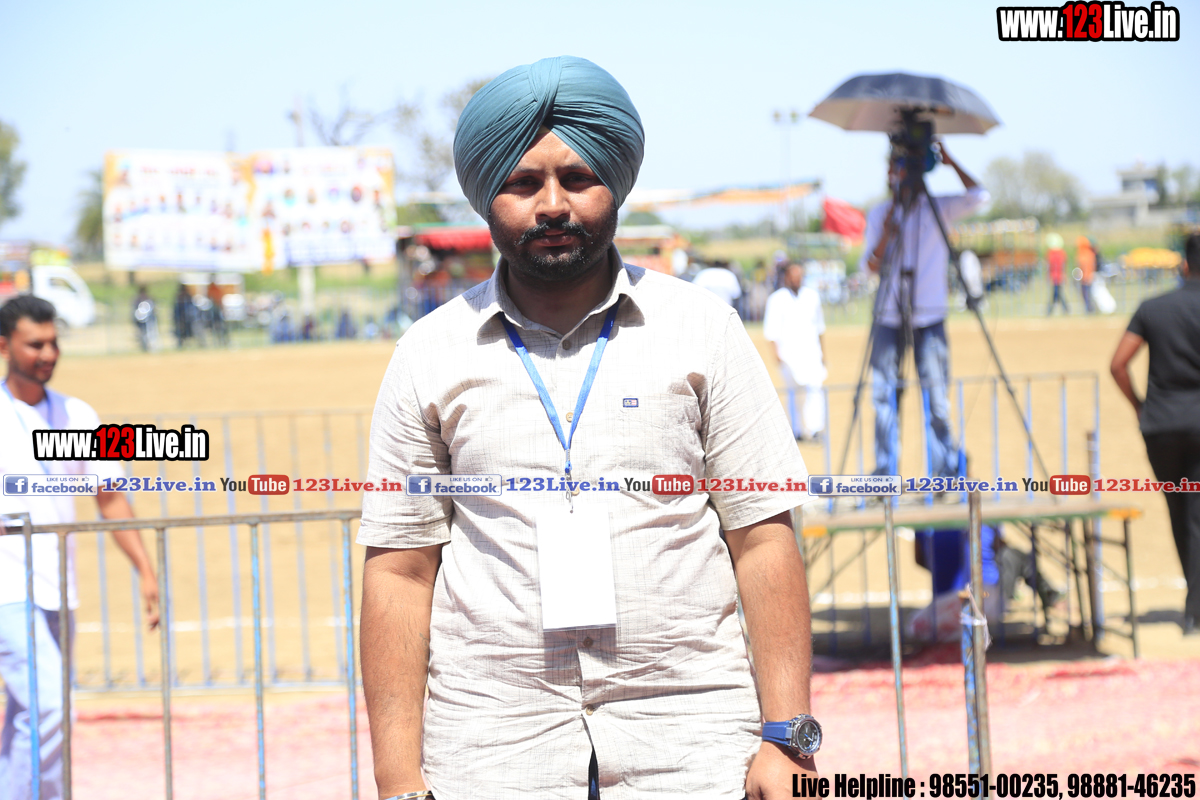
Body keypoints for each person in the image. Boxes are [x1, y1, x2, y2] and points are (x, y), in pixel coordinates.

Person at [358, 56, 819, 800]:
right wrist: (397, 780)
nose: (552, 205)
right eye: (522, 183)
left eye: (577, 179)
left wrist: (788, 740)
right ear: (485, 193)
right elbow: (399, 570)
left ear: (616, 183)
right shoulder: (429, 354)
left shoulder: (704, 331)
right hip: (495, 754)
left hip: (692, 745)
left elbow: (762, 536)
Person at [0, 295, 160, 800]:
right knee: (47, 706)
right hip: (7, 592)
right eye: (34, 344)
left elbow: (110, 497)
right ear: (4, 346)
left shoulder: (78, 414)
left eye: (53, 342)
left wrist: (145, 569)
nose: (48, 353)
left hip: (58, 588)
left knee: (31, 713)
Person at [859, 142, 988, 478]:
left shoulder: (938, 208)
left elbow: (979, 196)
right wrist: (887, 235)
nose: (895, 175)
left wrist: (950, 160)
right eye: (893, 167)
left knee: (937, 399)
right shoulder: (881, 213)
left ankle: (945, 473)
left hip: (929, 318)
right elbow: (868, 268)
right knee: (883, 397)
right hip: (888, 316)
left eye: (902, 167)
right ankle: (885, 474)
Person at [1110, 232, 1200, 636]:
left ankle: (1194, 604)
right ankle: (1195, 609)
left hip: (1161, 428)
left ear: (1184, 265)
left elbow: (1117, 364)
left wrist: (1140, 407)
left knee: (1180, 511)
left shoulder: (1153, 308)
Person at [763, 261, 826, 441]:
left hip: (812, 353)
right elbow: (771, 331)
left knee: (815, 390)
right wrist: (777, 355)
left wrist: (823, 354)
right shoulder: (777, 299)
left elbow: (819, 327)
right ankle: (796, 430)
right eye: (793, 276)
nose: (796, 279)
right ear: (786, 277)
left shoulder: (812, 297)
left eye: (799, 276)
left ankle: (815, 429)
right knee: (793, 394)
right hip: (789, 356)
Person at [1045, 233, 1069, 316]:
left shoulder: (1051, 253)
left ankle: (1050, 310)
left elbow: (1049, 265)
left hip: (1056, 276)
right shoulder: (1061, 253)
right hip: (1058, 276)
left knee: (1056, 293)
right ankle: (1064, 309)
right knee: (1057, 293)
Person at [1075, 236, 1096, 314]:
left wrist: (1086, 276)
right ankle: (1089, 309)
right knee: (1086, 294)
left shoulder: (1084, 254)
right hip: (1086, 277)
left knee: (1087, 295)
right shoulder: (1088, 253)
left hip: (1086, 278)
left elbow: (1084, 266)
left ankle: (1090, 309)